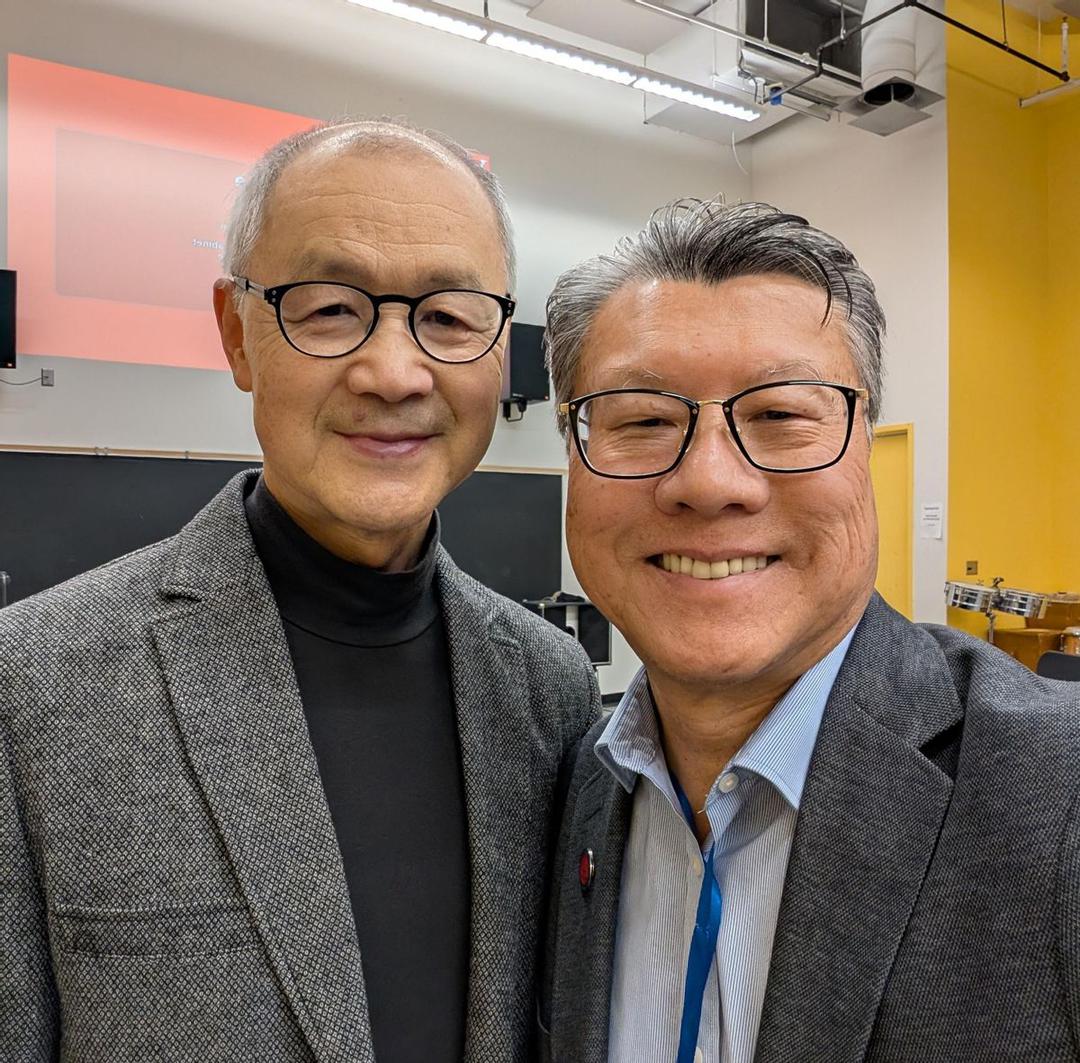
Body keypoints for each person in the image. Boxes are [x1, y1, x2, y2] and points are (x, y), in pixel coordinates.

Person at [0, 118, 598, 1062]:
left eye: (449, 316)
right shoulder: (33, 685)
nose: (394, 372)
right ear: (237, 334)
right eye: (329, 309)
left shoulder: (551, 690)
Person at [536, 199, 1080, 1063]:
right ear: (574, 449)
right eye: (641, 419)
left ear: (865, 444)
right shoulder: (562, 794)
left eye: (782, 415)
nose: (710, 481)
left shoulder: (1057, 794)